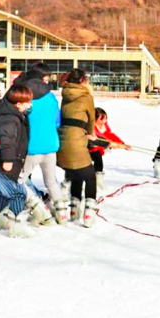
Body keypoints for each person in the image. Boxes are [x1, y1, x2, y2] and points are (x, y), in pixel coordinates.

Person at [0, 84, 48, 238]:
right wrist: (8, 161)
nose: (30, 105)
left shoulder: (11, 114)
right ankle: (16, 225)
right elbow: (7, 141)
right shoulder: (10, 119)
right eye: (28, 102)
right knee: (17, 194)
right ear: (18, 104)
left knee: (3, 193)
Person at [15, 63, 66, 225]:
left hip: (31, 148)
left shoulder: (26, 98)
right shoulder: (51, 97)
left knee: (19, 179)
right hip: (51, 145)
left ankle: (36, 208)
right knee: (51, 181)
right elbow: (57, 122)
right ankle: (62, 212)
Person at [57, 68, 99, 227]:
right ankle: (89, 212)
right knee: (89, 175)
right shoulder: (86, 96)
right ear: (83, 80)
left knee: (76, 171)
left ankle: (74, 207)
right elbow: (91, 118)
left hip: (63, 137)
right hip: (76, 137)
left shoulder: (65, 94)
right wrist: (90, 133)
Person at [88, 107, 131, 195]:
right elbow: (103, 139)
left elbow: (110, 135)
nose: (104, 121)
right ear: (95, 119)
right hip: (88, 148)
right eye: (102, 119)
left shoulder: (104, 126)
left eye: (105, 118)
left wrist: (122, 143)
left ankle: (98, 180)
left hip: (97, 149)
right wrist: (118, 146)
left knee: (99, 162)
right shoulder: (92, 128)